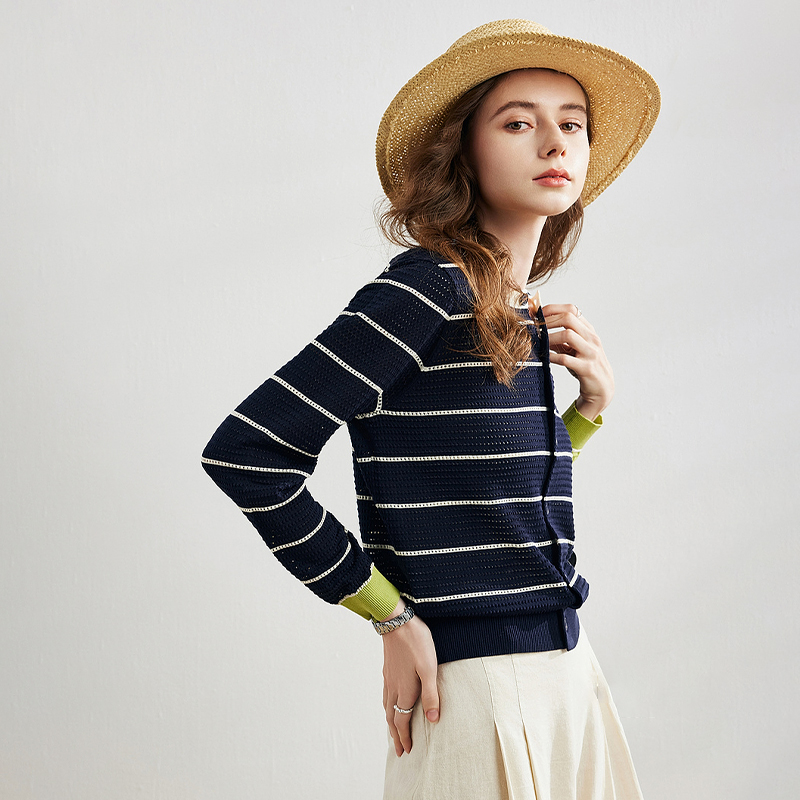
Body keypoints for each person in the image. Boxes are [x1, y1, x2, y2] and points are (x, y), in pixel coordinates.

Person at [202, 19, 660, 800]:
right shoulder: (425, 292)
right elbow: (247, 453)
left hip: (567, 673)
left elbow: (484, 493)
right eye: (518, 123)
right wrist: (388, 614)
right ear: (463, 150)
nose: (555, 142)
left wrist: (587, 412)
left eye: (572, 123)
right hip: (476, 690)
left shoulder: (510, 307)